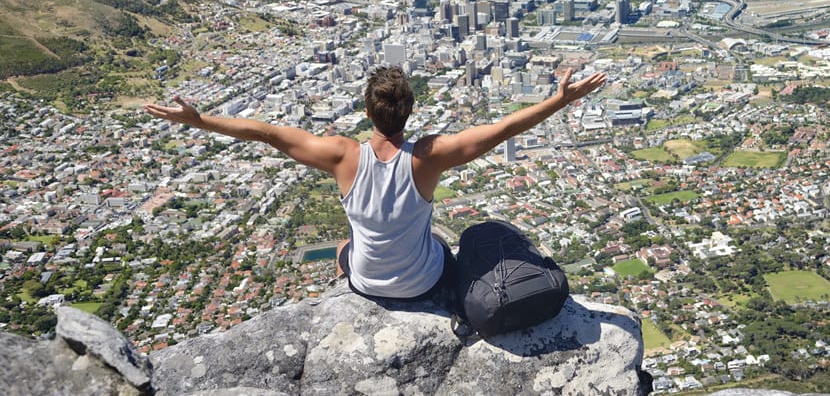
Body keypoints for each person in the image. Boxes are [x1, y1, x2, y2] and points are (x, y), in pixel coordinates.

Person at [144, 65, 606, 305]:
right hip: (423, 284)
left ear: (368, 112)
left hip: (365, 283)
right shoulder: (427, 157)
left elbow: (266, 132)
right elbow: (502, 130)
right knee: (443, 243)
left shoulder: (343, 156)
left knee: (347, 242)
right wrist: (559, 100)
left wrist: (200, 120)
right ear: (410, 112)